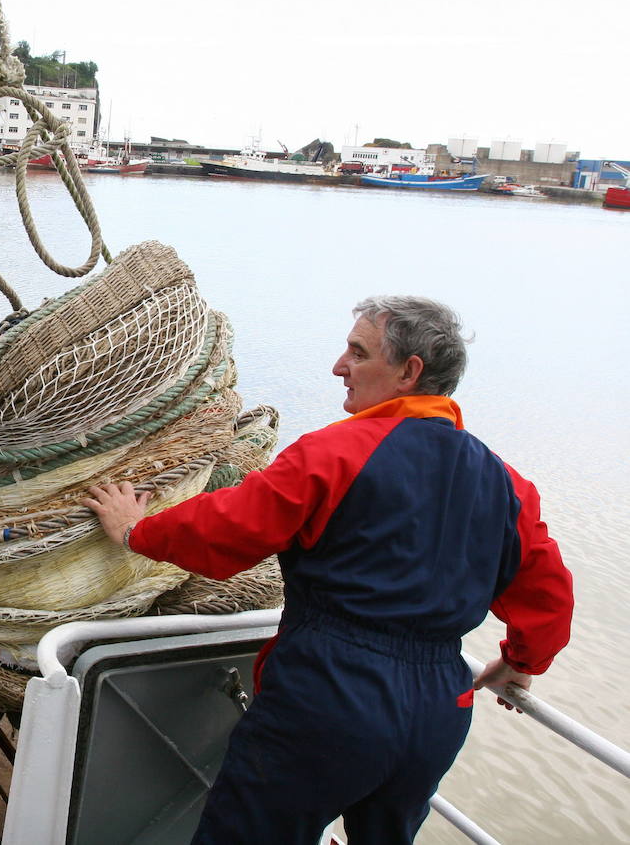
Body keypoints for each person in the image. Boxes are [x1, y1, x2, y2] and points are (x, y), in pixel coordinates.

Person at [83, 296, 574, 844]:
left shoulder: (335, 454)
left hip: (330, 697)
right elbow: (549, 595)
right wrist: (521, 661)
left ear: (409, 372)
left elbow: (225, 528)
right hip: (438, 711)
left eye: (357, 353)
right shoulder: (507, 484)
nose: (339, 366)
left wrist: (136, 530)